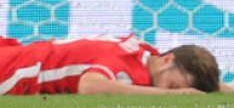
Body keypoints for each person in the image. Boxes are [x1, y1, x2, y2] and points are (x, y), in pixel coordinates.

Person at [0, 34, 219, 96]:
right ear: (167, 60)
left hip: (15, 53)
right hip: (13, 72)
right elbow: (89, 85)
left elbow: (194, 75)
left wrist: (222, 87)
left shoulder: (144, 52)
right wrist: (168, 96)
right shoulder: (121, 61)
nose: (166, 90)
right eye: (172, 86)